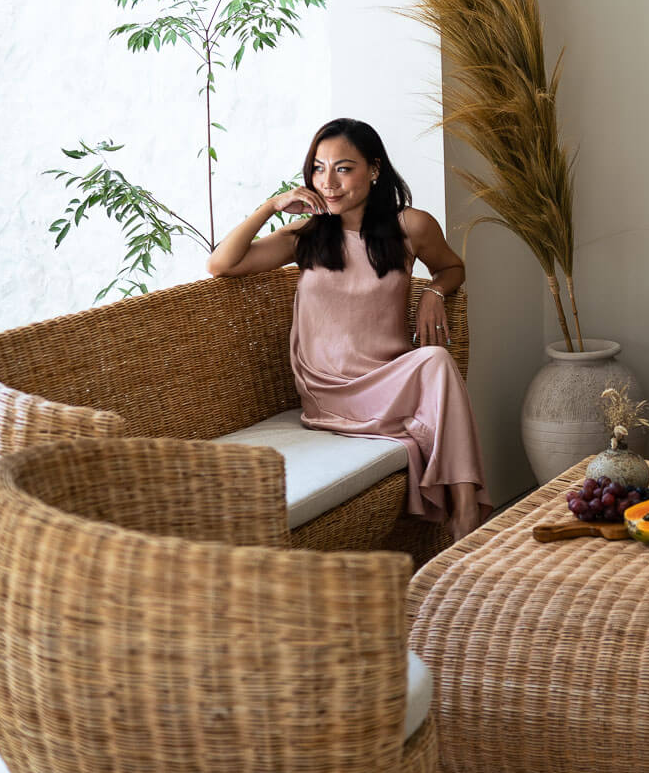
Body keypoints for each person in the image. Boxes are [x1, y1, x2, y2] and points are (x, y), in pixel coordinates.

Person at [209, 116, 489, 541]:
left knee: (435, 360)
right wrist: (269, 206)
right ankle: (467, 518)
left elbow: (453, 267)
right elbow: (221, 264)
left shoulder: (411, 226)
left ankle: (466, 518)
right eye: (319, 169)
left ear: (374, 169)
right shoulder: (306, 236)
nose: (329, 182)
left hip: (387, 380)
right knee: (436, 366)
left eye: (343, 168)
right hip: (328, 393)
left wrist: (433, 290)